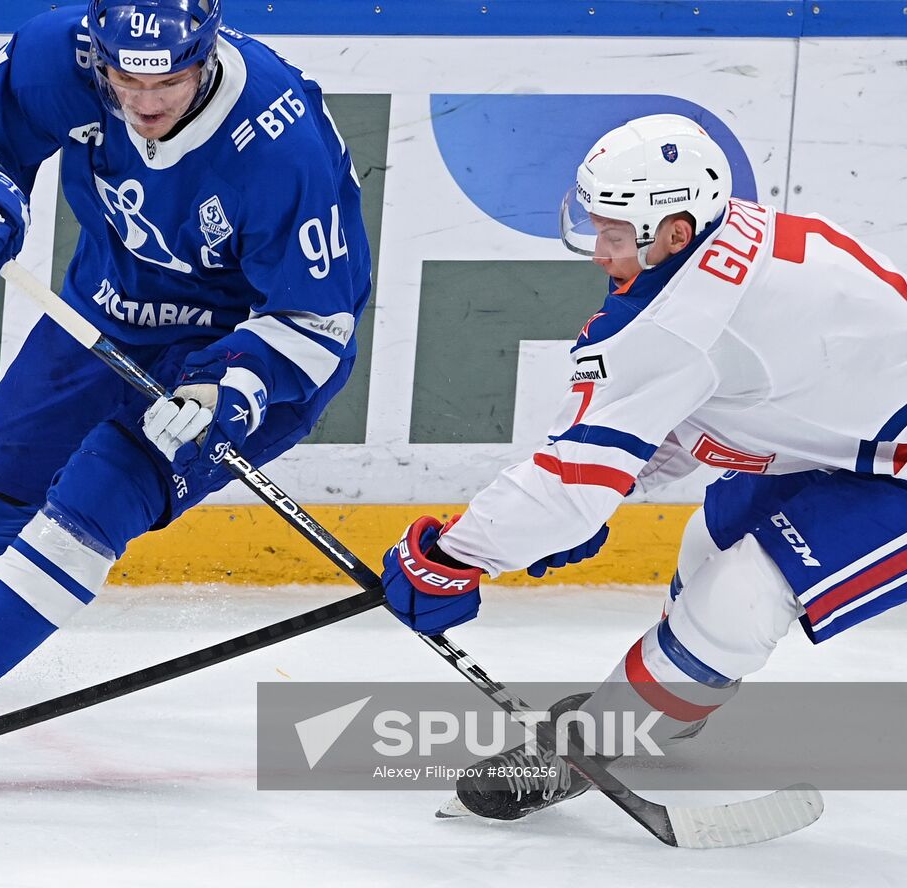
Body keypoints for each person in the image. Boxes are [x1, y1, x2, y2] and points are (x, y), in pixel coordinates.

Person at [0, 0, 371, 767]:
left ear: (208, 48)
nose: (144, 101)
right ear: (96, 53)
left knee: (99, 493)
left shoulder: (278, 138)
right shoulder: (56, 53)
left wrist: (222, 393)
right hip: (107, 314)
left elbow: (317, 321)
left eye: (168, 78)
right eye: (123, 77)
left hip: (242, 357)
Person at [381, 113, 907, 820]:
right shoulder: (709, 252)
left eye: (614, 235)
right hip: (855, 434)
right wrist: (617, 479)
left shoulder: (680, 319)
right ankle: (670, 703)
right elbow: (708, 400)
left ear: (675, 232)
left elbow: (568, 486)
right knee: (707, 547)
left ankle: (598, 741)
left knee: (739, 597)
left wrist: (451, 556)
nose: (598, 250)